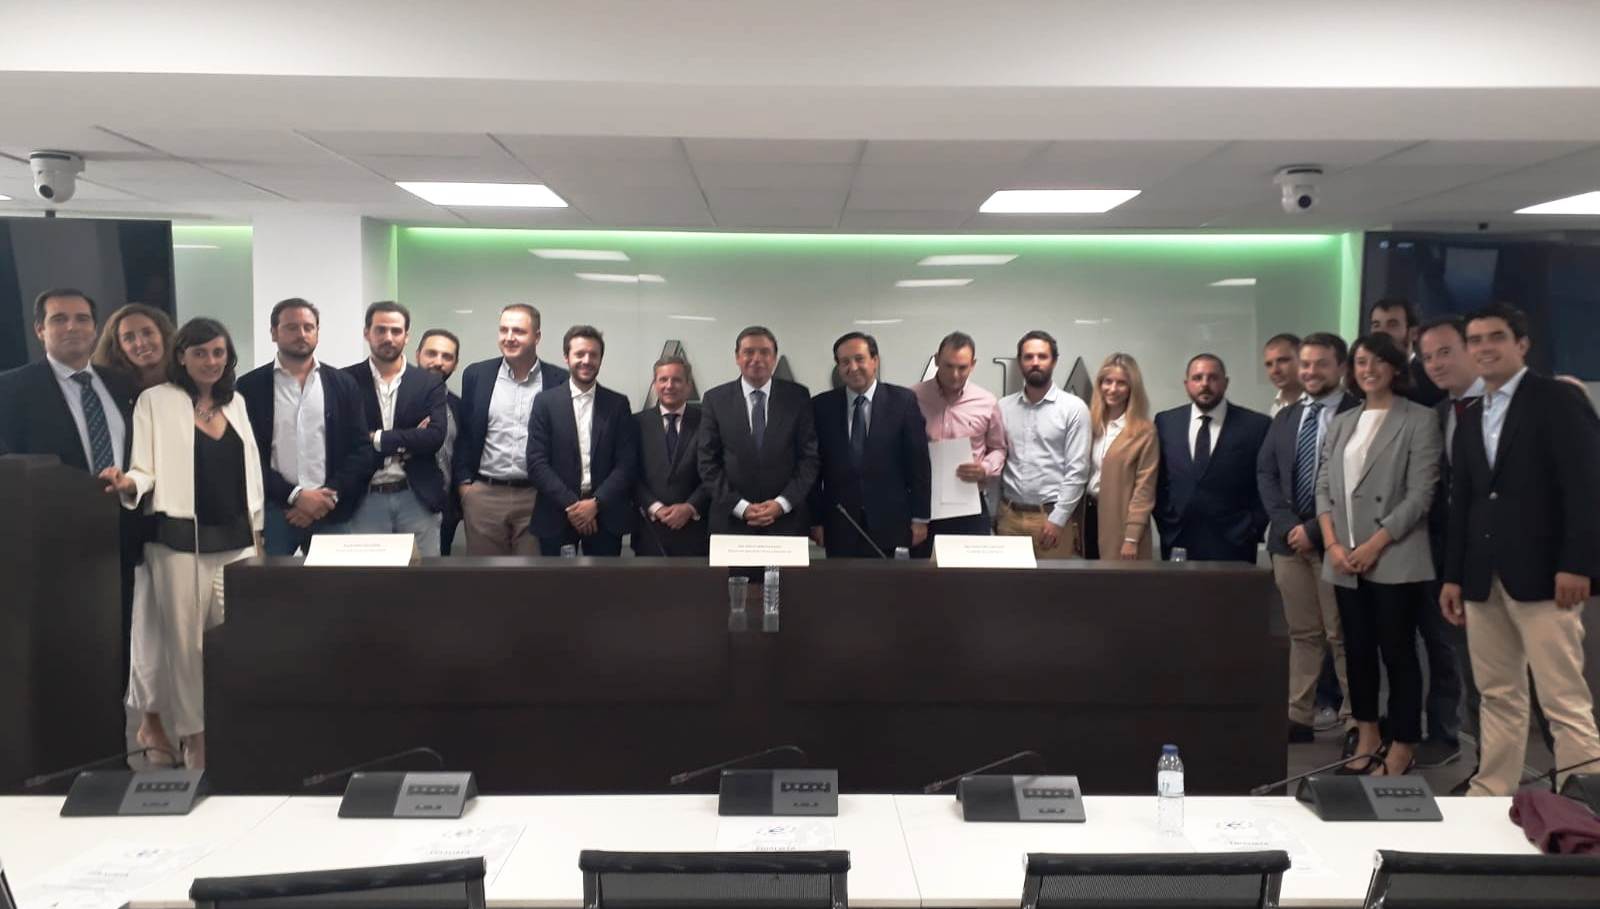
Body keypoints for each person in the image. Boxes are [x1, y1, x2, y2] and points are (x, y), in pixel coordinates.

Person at [1440, 302, 1600, 796]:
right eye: (1476, 340)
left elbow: (1587, 487)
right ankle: (1492, 789)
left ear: (1522, 344)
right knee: (1497, 694)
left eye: (1496, 337)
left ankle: (1584, 800)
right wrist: (1453, 576)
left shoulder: (1556, 398)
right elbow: (1464, 502)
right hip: (1482, 576)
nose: (1485, 348)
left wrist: (1578, 564)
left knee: (1562, 698)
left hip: (1548, 575)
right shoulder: (1471, 415)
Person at [99, 317, 264, 770]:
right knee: (186, 650)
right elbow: (144, 468)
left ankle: (234, 730)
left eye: (218, 352)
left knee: (236, 642)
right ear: (182, 357)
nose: (210, 361)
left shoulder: (236, 402)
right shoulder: (156, 401)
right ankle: (196, 740)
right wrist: (128, 484)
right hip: (178, 545)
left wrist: (259, 535)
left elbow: (251, 474)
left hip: (237, 543)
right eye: (199, 353)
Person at [0, 289, 141, 711]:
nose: (72, 327)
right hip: (52, 545)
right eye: (59, 319)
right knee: (62, 653)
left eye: (82, 319)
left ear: (95, 329)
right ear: (40, 330)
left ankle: (111, 737)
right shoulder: (11, 389)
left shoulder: (123, 385)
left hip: (122, 536)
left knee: (119, 645)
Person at [1315, 333, 1442, 778]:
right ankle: (1367, 735)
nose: (1368, 370)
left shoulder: (1420, 419)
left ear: (1395, 367)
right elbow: (1324, 488)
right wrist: (1333, 545)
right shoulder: (1343, 422)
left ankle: (1403, 743)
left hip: (1394, 557)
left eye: (1378, 361)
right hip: (1344, 560)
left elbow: (1421, 494)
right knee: (1357, 652)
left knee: (1398, 654)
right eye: (1361, 362)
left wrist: (1374, 545)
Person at [1257, 332, 1359, 745]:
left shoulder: (1358, 413)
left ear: (1341, 368)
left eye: (1321, 364)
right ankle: (1298, 715)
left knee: (1342, 634)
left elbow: (1355, 482)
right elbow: (1266, 474)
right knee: (1302, 634)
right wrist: (1287, 527)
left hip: (1337, 542)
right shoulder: (1286, 417)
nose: (1311, 371)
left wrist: (1314, 530)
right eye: (1306, 364)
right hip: (1287, 545)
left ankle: (1356, 720)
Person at [236, 299, 369, 556]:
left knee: (336, 582)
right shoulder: (249, 387)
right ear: (273, 333)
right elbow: (247, 457)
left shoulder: (343, 384)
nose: (302, 334)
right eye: (291, 327)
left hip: (331, 510)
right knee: (271, 581)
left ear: (317, 332)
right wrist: (296, 496)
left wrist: (326, 498)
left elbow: (361, 450)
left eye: (309, 327)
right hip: (276, 511)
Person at [452, 304, 567, 555]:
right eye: (504, 330)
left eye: (519, 331)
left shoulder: (559, 381)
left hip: (537, 497)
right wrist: (465, 486)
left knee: (532, 574)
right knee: (485, 574)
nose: (509, 337)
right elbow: (466, 434)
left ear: (537, 336)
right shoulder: (477, 375)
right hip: (485, 496)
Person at [809, 332, 931, 558]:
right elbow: (814, 470)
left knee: (885, 581)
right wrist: (816, 520)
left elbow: (919, 464)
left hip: (890, 522)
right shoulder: (821, 406)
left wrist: (920, 518)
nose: (853, 367)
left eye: (859, 359)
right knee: (839, 580)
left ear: (875, 360)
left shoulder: (903, 401)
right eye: (845, 362)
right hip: (839, 522)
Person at [343, 301, 448, 555]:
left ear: (406, 336)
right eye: (380, 330)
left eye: (396, 331)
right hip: (365, 497)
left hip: (416, 496)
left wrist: (376, 438)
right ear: (367, 333)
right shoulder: (345, 380)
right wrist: (411, 438)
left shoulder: (428, 383)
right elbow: (344, 439)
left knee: (424, 575)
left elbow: (434, 437)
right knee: (369, 575)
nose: (388, 337)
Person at [527, 325, 637, 556]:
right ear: (566, 357)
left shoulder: (618, 404)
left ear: (600, 359)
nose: (586, 360)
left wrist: (595, 503)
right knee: (556, 579)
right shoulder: (545, 403)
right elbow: (537, 463)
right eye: (579, 354)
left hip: (605, 514)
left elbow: (626, 464)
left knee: (603, 579)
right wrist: (574, 507)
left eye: (593, 355)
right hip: (556, 513)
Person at [697, 326, 819, 536]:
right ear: (737, 357)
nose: (756, 359)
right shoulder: (715, 399)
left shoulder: (797, 397)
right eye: (749, 352)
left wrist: (782, 504)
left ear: (774, 358)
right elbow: (707, 462)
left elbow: (809, 459)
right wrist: (741, 507)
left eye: (764, 352)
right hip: (731, 521)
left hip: (786, 521)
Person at [1153, 353, 1270, 562]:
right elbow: (1157, 479)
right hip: (1178, 539)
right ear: (1187, 384)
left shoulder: (1255, 426)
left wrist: (1251, 528)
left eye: (1213, 377)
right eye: (1197, 378)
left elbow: (1266, 482)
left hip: (1235, 544)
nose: (1205, 384)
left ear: (1226, 383)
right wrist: (1166, 522)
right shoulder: (1166, 422)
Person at [910, 332, 1006, 557]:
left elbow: (999, 448)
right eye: (948, 366)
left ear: (973, 365)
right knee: (921, 572)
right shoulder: (912, 398)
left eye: (962, 368)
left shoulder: (987, 401)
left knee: (971, 573)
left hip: (969, 504)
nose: (954, 375)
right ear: (936, 360)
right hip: (924, 507)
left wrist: (985, 468)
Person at [995, 331, 1089, 558]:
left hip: (1050, 519)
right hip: (1009, 518)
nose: (1035, 362)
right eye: (1028, 357)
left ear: (1054, 361)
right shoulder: (1003, 407)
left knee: (1052, 582)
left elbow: (1077, 470)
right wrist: (995, 515)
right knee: (1006, 581)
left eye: (1042, 356)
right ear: (1020, 362)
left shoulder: (1073, 409)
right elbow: (999, 461)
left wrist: (1058, 519)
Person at [1081, 352, 1157, 560]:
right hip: (1087, 515)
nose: (1113, 389)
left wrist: (1132, 537)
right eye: (1108, 381)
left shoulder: (1144, 431)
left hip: (1120, 522)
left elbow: (1144, 490)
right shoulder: (1090, 424)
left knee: (1116, 578)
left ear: (1132, 388)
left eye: (1121, 383)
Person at [633, 356, 711, 557]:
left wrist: (690, 507)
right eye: (663, 379)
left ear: (688, 385)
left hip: (696, 531)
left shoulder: (707, 421)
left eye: (676, 380)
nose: (669, 385)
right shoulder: (636, 423)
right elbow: (630, 473)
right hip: (649, 531)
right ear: (654, 384)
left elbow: (716, 470)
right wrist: (656, 508)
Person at [416, 329, 464, 555]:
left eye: (447, 356)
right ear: (417, 355)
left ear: (455, 364)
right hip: (398, 503)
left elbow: (461, 457)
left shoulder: (458, 406)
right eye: (431, 353)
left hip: (443, 509)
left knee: (435, 573)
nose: (438, 361)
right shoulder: (394, 398)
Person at [1370, 298, 1447, 407]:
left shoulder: (1431, 377)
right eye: (1376, 325)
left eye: (1392, 325)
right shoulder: (1362, 375)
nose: (1382, 332)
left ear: (1413, 333)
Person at [93, 303, 176, 392]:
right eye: (129, 338)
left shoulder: (185, 378)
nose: (141, 343)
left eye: (148, 333)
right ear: (118, 348)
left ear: (164, 335)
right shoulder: (109, 392)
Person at [1263, 333, 1304, 417]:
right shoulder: (1276, 407)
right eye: (1269, 364)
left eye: (1283, 360)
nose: (1275, 370)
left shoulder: (1321, 403)